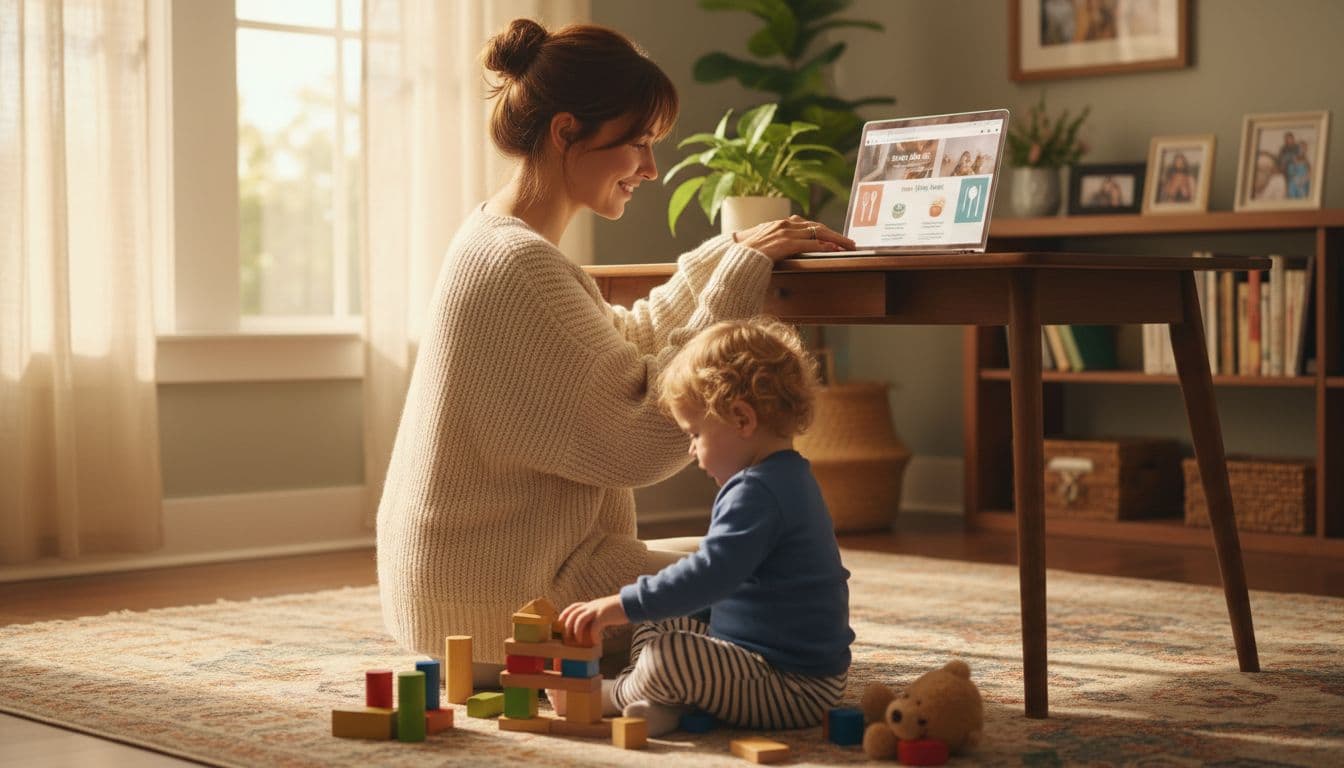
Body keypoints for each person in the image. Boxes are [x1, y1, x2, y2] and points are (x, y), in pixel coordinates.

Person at [374, 18, 854, 687]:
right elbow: (642, 438)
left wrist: (729, 253)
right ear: (567, 131)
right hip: (506, 601)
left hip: (470, 590)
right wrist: (738, 276)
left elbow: (623, 346)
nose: (651, 169)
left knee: (732, 560)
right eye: (638, 143)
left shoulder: (497, 238)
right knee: (775, 570)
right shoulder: (518, 265)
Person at [558, 318, 853, 735]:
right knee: (661, 618)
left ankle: (615, 695)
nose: (693, 451)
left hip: (794, 686)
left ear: (742, 419)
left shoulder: (758, 493)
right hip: (757, 659)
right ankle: (660, 704)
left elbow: (710, 576)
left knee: (669, 653)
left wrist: (617, 606)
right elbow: (721, 592)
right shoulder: (784, 477)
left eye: (696, 434)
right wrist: (649, 605)